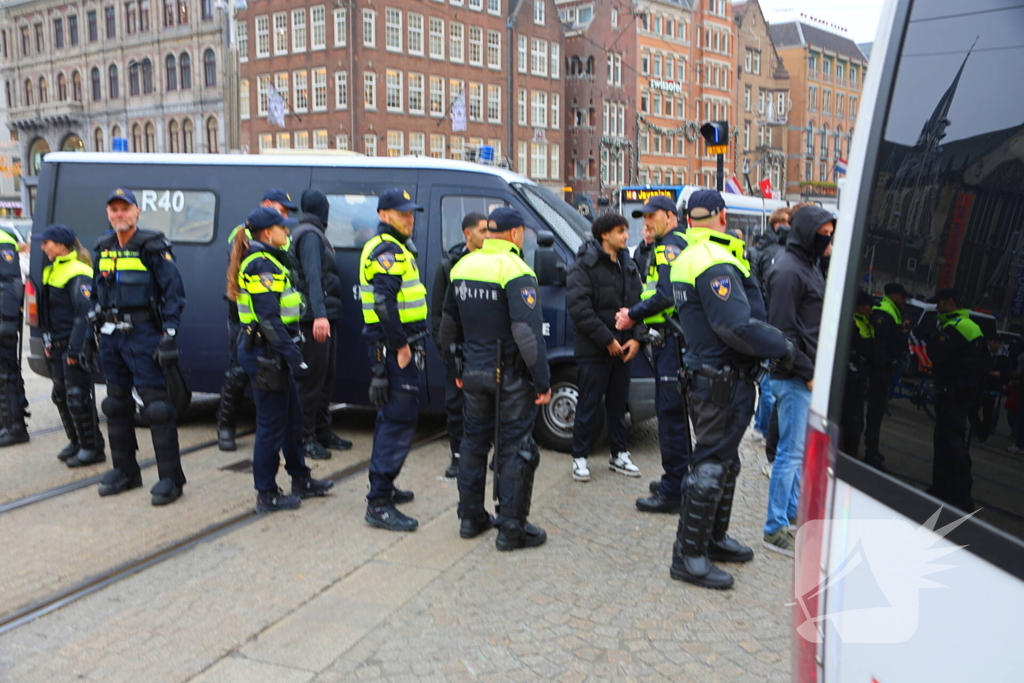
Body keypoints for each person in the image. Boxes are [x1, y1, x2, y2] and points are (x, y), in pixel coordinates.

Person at [668, 189, 794, 589]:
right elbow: (734, 325)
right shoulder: (711, 259)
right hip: (720, 378)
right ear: (721, 215)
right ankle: (689, 556)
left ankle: (712, 540)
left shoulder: (690, 254)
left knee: (724, 461)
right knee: (710, 466)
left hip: (714, 375)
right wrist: (786, 350)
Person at [439, 207, 552, 550]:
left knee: (473, 444)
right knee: (515, 448)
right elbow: (526, 334)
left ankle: (470, 518)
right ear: (516, 233)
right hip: (512, 376)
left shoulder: (463, 265)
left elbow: (446, 328)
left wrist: (456, 370)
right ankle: (511, 529)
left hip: (473, 372)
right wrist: (543, 382)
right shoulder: (516, 269)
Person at [229, 206, 335, 512]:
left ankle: (300, 477)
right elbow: (268, 320)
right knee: (271, 427)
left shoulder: (270, 259)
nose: (287, 232)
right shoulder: (261, 265)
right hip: (265, 354)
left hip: (272, 353)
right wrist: (295, 358)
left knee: (293, 421)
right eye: (282, 228)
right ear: (267, 233)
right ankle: (267, 493)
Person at [93, 188, 187, 506]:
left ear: (137, 212)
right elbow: (96, 292)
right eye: (114, 209)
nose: (119, 214)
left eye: (125, 208)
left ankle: (171, 479)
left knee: (157, 408)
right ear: (108, 214)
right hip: (111, 335)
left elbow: (174, 292)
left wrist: (169, 333)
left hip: (143, 333)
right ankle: (125, 472)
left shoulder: (152, 246)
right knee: (116, 405)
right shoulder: (103, 247)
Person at [764, 205, 833, 557]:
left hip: (802, 374)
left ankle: (790, 516)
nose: (831, 241)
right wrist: (807, 372)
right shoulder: (791, 271)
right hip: (795, 377)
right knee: (790, 454)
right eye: (825, 233)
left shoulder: (805, 265)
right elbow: (783, 332)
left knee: (797, 452)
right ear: (810, 233)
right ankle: (775, 527)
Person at [615, 195, 690, 514]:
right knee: (674, 414)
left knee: (671, 415)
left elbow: (665, 294)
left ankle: (674, 491)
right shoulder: (671, 243)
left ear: (671, 217)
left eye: (652, 216)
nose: (646, 222)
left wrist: (632, 314)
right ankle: (678, 479)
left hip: (672, 341)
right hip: (668, 339)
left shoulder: (670, 246)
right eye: (643, 217)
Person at [360, 188, 428, 532]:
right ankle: (379, 503)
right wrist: (400, 346)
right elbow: (384, 303)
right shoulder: (387, 250)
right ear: (384, 215)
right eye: (403, 214)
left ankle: (384, 487)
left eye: (412, 213)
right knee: (398, 421)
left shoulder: (393, 247)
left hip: (394, 347)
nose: (410, 219)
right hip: (394, 349)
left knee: (391, 419)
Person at [217, 189, 299, 452]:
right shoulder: (243, 234)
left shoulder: (278, 235)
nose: (284, 217)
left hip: (266, 306)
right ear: (266, 206)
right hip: (246, 311)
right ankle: (225, 425)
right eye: (281, 210)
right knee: (238, 369)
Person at [566, 212, 643, 482]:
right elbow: (579, 309)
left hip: (623, 350)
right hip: (594, 350)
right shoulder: (583, 266)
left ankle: (619, 454)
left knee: (618, 404)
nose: (626, 236)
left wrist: (636, 338)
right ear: (604, 235)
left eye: (625, 231)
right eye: (621, 231)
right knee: (588, 403)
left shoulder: (629, 265)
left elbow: (639, 305)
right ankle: (580, 457)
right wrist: (607, 340)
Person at [290, 188, 352, 461]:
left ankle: (323, 431)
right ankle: (305, 437)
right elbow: (313, 278)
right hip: (315, 319)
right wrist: (319, 315)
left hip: (326, 315)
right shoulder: (310, 236)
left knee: (327, 378)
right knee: (312, 380)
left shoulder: (313, 233)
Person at [39, 225, 105, 467]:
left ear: (61, 244)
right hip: (57, 344)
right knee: (61, 395)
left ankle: (93, 447)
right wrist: (48, 340)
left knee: (78, 396)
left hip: (72, 344)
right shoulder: (53, 270)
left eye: (47, 242)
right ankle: (77, 441)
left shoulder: (78, 271)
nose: (43, 247)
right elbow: (50, 312)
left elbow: (83, 314)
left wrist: (76, 350)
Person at [429, 212, 488, 479]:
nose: (487, 236)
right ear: (468, 233)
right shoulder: (449, 266)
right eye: (483, 231)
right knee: (456, 405)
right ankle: (457, 456)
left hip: (485, 346)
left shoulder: (492, 263)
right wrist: (445, 349)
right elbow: (438, 311)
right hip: (459, 348)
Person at [926, 289, 985, 511]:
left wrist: (934, 335)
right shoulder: (964, 326)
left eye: (939, 303)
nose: (937, 307)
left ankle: (961, 496)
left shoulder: (958, 327)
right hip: (954, 393)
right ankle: (942, 488)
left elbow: (936, 352)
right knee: (943, 442)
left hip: (954, 395)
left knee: (952, 444)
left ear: (950, 302)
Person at [863, 282, 908, 471]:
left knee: (878, 412)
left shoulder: (892, 311)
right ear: (895, 296)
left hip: (883, 369)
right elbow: (880, 344)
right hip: (879, 371)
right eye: (903, 298)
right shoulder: (885, 310)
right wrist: (881, 369)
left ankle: (873, 449)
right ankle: (870, 452)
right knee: (875, 412)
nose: (904, 302)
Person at [0, 223, 26, 447]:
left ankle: (15, 426)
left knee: (6, 374)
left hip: (2, 319)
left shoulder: (3, 240)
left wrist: (8, 320)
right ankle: (4, 423)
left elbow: (11, 283)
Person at [841, 290, 875, 458]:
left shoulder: (866, 322)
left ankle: (851, 452)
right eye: (868, 306)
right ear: (859, 307)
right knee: (850, 421)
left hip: (860, 378)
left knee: (856, 422)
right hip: (851, 379)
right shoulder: (851, 322)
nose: (871, 310)